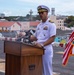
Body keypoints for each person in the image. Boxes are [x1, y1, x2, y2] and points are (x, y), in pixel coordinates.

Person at [30, 5, 56, 75]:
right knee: (38, 68)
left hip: (46, 49)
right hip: (37, 49)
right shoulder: (39, 25)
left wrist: (42, 45)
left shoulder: (51, 24)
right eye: (39, 13)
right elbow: (36, 37)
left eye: (42, 13)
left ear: (47, 13)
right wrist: (28, 37)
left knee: (47, 70)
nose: (40, 14)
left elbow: (52, 38)